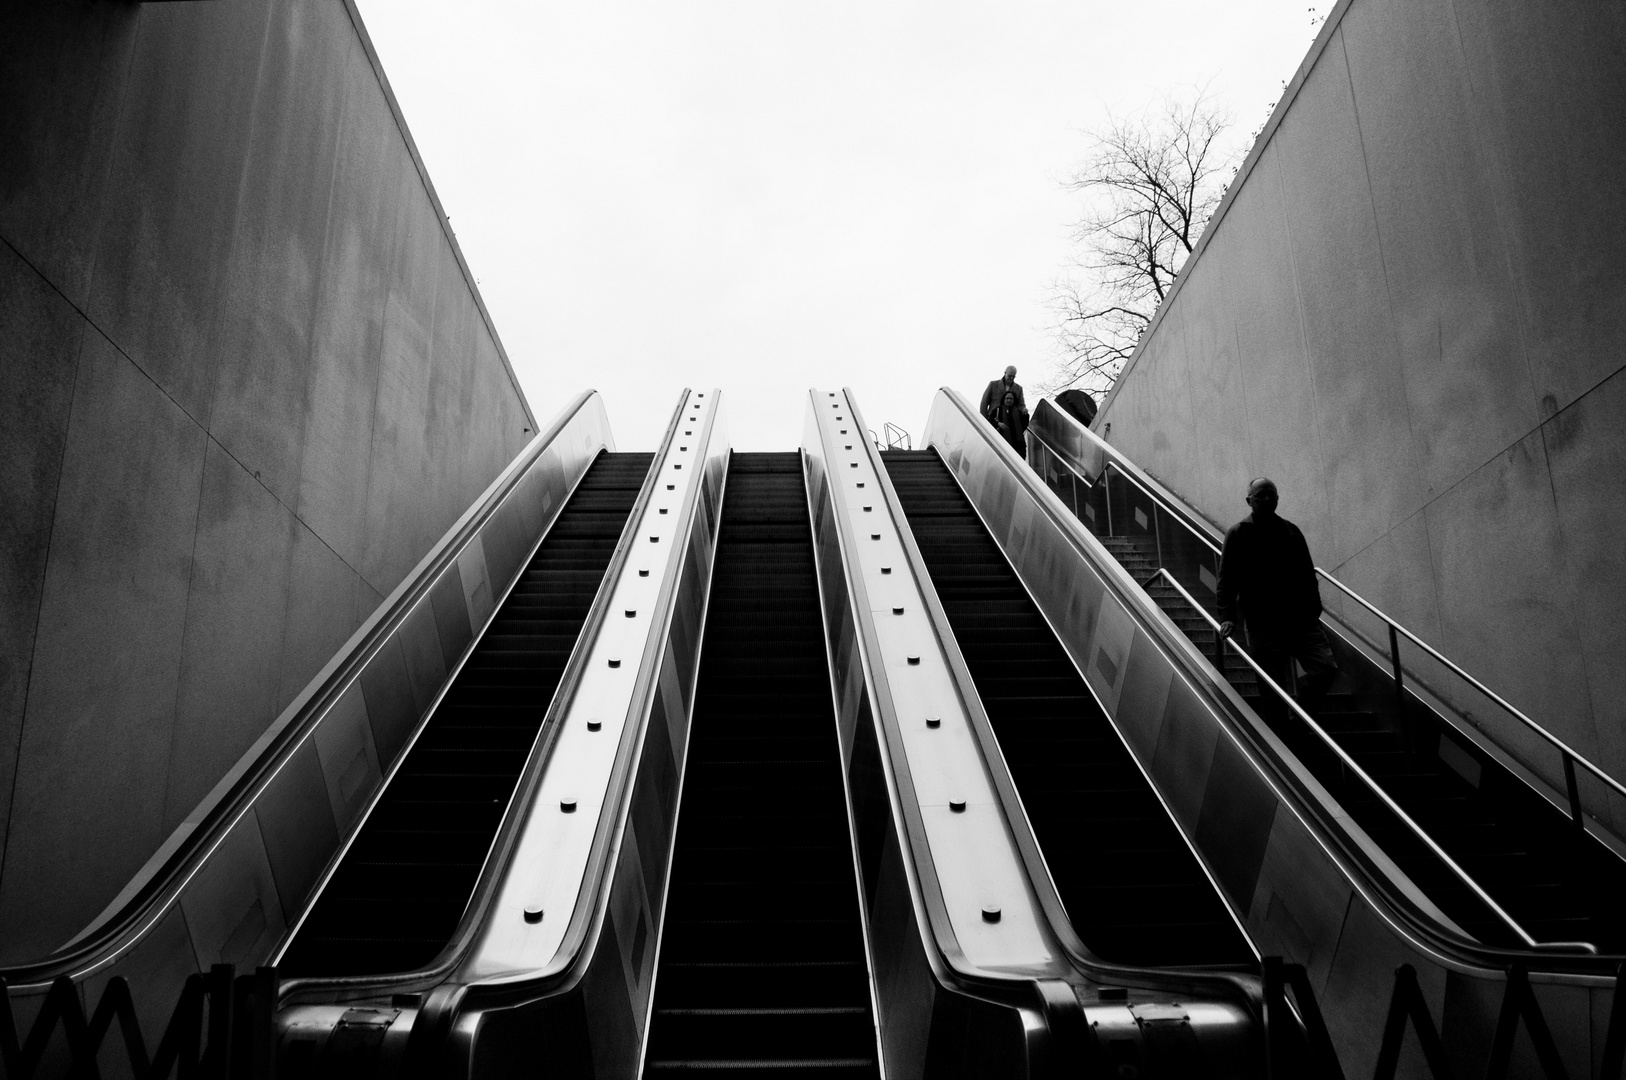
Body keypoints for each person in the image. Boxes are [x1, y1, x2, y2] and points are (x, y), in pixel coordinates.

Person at [1216, 477, 1339, 718]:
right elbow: (1226, 579)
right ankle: (1282, 738)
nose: (1267, 499)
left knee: (1325, 669)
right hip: (1262, 624)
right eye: (1260, 495)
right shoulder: (1239, 533)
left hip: (1299, 620)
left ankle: (1300, 716)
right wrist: (1228, 617)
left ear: (1278, 500)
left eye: (1271, 495)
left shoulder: (1290, 531)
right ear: (1248, 500)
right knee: (1272, 687)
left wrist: (1313, 610)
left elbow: (1307, 572)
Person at [987, 389, 1027, 454]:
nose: (1009, 400)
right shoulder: (997, 410)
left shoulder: (1019, 412)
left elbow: (1024, 426)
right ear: (1004, 399)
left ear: (1014, 400)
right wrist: (998, 423)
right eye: (1007, 398)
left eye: (1011, 398)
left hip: (1018, 445)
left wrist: (1025, 415)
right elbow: (989, 421)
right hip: (1001, 442)